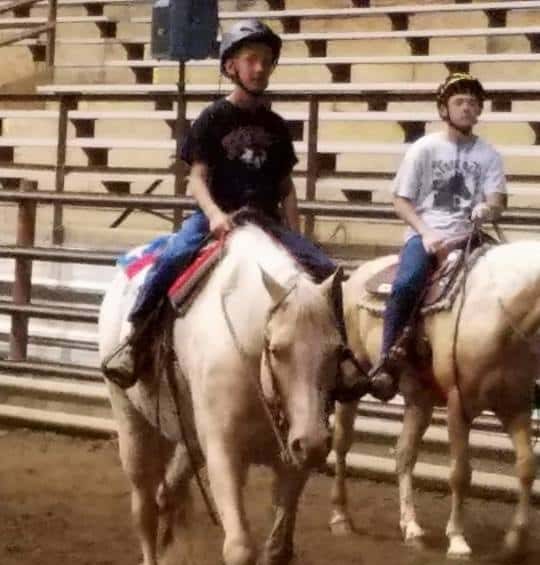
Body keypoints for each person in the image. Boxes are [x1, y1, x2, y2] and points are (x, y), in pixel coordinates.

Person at [103, 19, 338, 386]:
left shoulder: (276, 126)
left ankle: (337, 358)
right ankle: (135, 338)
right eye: (251, 59)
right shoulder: (213, 118)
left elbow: (285, 186)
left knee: (325, 270)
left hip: (266, 219)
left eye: (266, 61)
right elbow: (196, 177)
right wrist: (213, 214)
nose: (259, 68)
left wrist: (297, 236)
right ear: (231, 67)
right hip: (220, 216)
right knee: (174, 256)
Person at [369, 72, 507, 402]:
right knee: (407, 283)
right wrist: (426, 233)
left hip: (471, 236)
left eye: (473, 103)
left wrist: (488, 210)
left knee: (507, 286)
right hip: (427, 234)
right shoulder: (424, 149)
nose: (467, 108)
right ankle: (387, 361)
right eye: (460, 102)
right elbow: (400, 201)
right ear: (444, 109)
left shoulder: (488, 154)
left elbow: (497, 200)